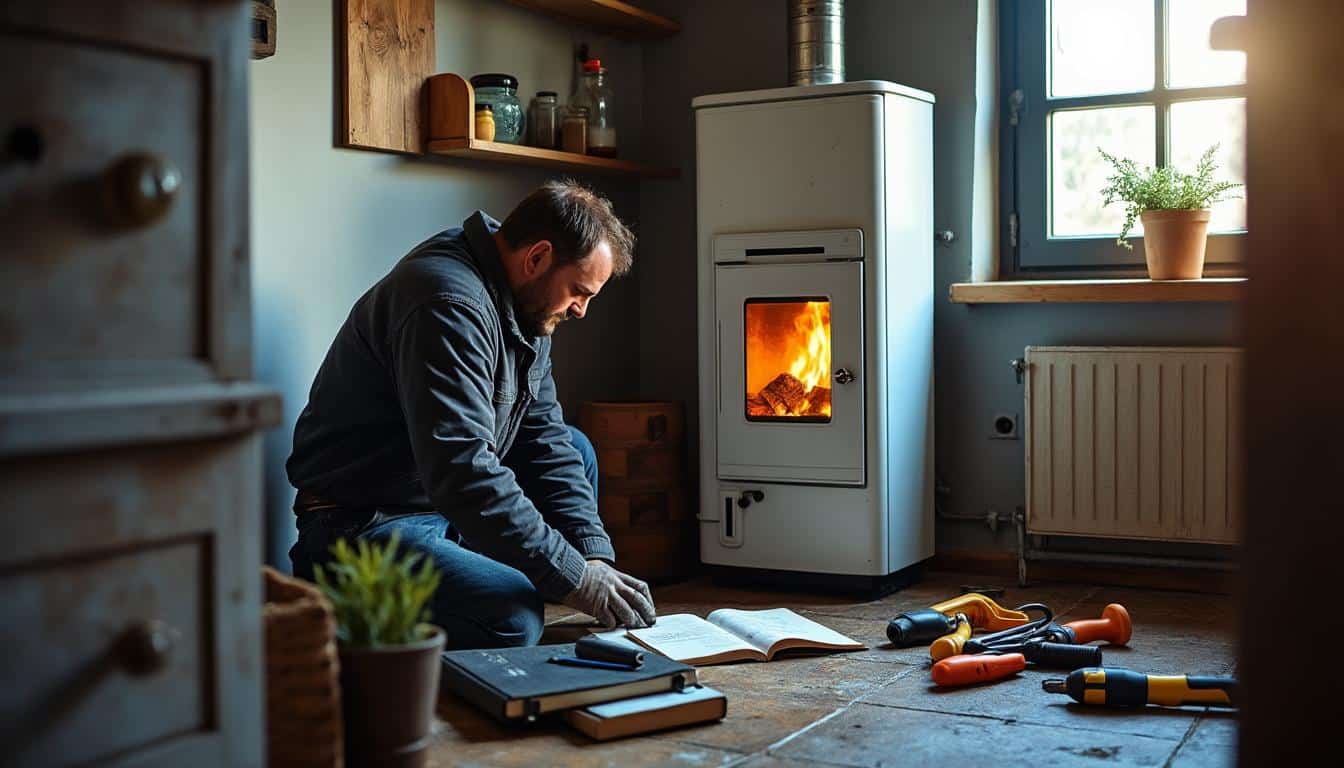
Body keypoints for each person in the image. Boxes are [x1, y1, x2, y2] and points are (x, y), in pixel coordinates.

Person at [285, 180, 656, 649]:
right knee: (512, 620)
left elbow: (545, 437)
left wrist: (591, 558)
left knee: (576, 448)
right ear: (538, 257)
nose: (581, 310)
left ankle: (495, 571)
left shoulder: (527, 304)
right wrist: (574, 577)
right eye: (579, 291)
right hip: (366, 524)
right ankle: (343, 605)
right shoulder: (445, 302)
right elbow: (462, 471)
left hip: (441, 508)